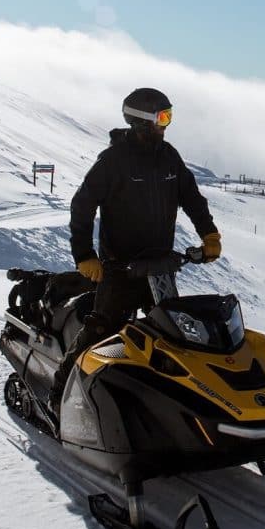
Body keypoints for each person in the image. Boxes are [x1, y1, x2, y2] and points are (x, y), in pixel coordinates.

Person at [48, 87, 221, 417]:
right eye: (163, 117)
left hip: (160, 269)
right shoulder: (113, 161)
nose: (167, 125)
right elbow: (82, 206)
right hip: (120, 270)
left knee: (172, 337)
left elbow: (192, 198)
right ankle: (58, 399)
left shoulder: (168, 156)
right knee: (101, 333)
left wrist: (209, 233)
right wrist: (84, 255)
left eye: (169, 116)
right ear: (142, 120)